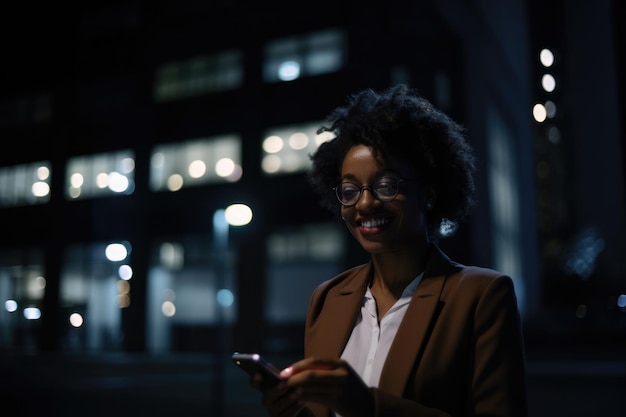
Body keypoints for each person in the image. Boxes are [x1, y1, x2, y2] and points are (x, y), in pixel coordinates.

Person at [251, 84, 528, 417]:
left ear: (427, 193)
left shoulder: (480, 296)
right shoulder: (327, 298)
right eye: (350, 190)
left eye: (386, 185)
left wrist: (368, 406)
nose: (365, 203)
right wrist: (292, 411)